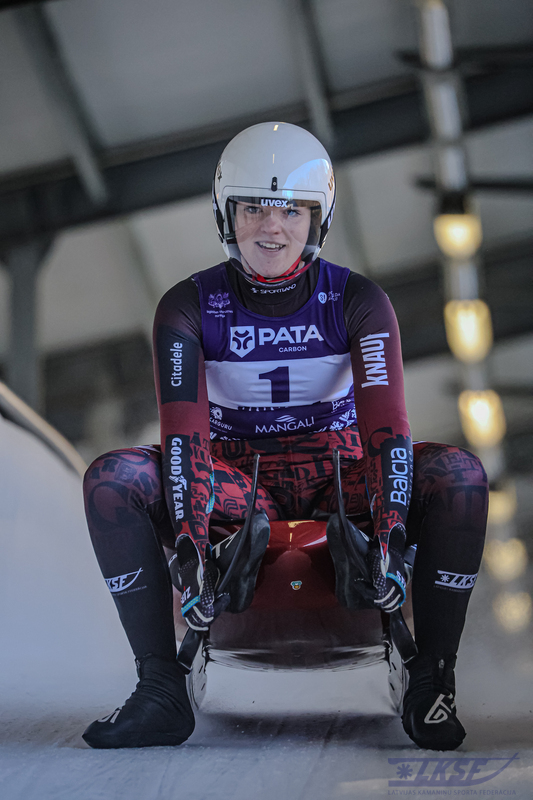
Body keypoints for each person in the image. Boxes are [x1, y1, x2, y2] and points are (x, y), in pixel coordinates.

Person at [81, 122, 487, 750]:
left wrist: (391, 528)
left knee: (460, 475)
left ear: (318, 217)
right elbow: (184, 436)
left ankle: (432, 681)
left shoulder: (360, 301)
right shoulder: (186, 306)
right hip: (236, 484)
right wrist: (191, 541)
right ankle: (159, 687)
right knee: (112, 480)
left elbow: (388, 430)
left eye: (291, 210)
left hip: (341, 480)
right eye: (253, 208)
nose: (271, 228)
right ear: (226, 214)